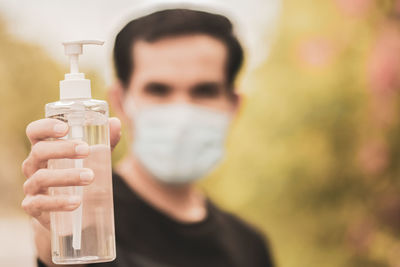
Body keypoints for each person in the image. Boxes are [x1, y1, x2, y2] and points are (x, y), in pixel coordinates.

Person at [21, 8, 275, 267]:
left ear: (233, 105)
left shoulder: (250, 246)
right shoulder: (86, 220)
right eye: (158, 90)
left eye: (204, 91)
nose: (181, 114)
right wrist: (57, 248)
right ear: (120, 101)